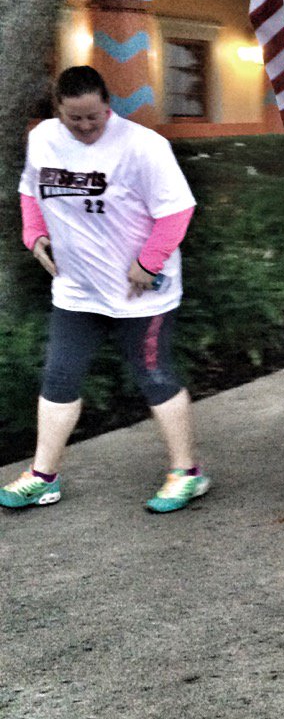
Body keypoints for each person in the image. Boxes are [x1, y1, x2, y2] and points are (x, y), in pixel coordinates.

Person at [2, 65, 205, 513]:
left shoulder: (143, 147)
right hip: (77, 289)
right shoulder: (43, 140)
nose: (87, 126)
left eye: (94, 116)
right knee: (59, 377)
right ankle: (42, 476)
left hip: (142, 293)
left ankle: (187, 472)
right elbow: (30, 193)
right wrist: (34, 235)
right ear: (58, 111)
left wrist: (147, 263)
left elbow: (177, 212)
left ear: (107, 105)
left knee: (154, 376)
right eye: (75, 118)